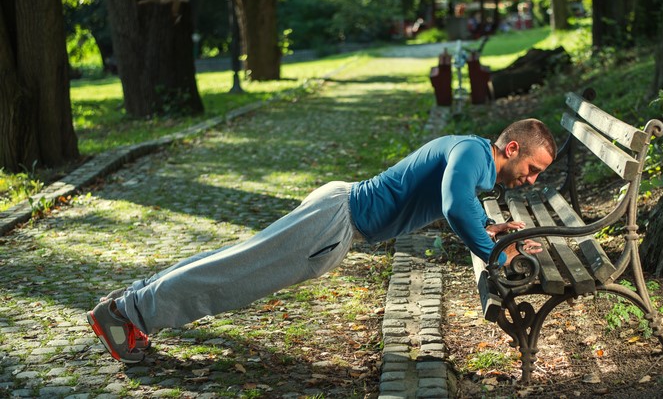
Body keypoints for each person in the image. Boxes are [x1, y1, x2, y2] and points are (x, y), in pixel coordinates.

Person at [86, 118, 556, 363]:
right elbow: (455, 206)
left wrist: (490, 230)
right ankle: (126, 313)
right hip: (335, 223)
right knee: (235, 275)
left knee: (235, 262)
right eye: (532, 169)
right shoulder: (475, 156)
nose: (531, 180)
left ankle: (130, 305)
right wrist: (496, 252)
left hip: (338, 214)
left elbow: (448, 203)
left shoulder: (469, 151)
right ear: (511, 148)